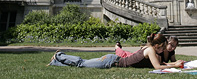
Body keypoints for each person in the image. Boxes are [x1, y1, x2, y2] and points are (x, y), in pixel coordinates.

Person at [47, 33, 184, 69]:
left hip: (113, 61)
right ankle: (60, 55)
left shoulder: (151, 50)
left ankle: (56, 62)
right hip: (111, 61)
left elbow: (163, 65)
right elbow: (158, 66)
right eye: (162, 47)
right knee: (82, 63)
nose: (163, 50)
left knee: (82, 65)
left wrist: (175, 64)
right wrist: (175, 65)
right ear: (157, 45)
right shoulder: (150, 50)